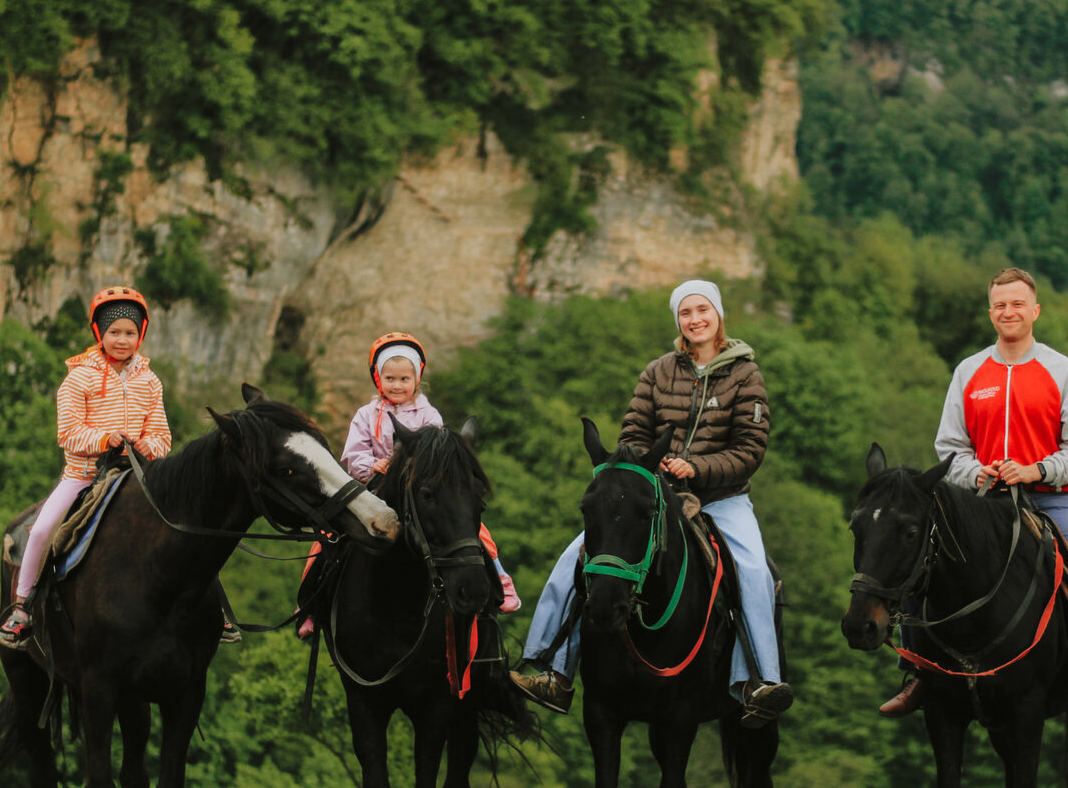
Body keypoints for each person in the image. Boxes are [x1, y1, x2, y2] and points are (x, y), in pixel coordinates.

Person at [510, 279, 794, 727]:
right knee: (576, 558)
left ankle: (760, 681)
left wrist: (696, 468)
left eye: (703, 310)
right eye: (686, 313)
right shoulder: (657, 371)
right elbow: (633, 436)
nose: (695, 319)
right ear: (677, 320)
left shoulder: (746, 375)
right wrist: (653, 471)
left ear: (718, 315)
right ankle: (552, 668)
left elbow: (749, 449)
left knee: (756, 570)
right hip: (654, 496)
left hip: (723, 498)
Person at [881, 267, 1068, 724]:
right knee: (915, 556)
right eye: (999, 305)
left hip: (1049, 499)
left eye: (1016, 304)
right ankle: (916, 673)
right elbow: (950, 447)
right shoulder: (969, 371)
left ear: (1035, 310)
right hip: (981, 504)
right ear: (990, 312)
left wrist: (1036, 469)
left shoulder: (1063, 370)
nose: (1008, 311)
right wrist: (977, 473)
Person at [296, 332, 519, 639]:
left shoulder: (429, 414)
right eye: (390, 378)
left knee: (474, 528)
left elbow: (440, 457)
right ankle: (309, 603)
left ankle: (501, 582)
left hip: (419, 489)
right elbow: (353, 456)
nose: (397, 385)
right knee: (328, 536)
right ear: (378, 377)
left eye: (404, 378)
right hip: (374, 489)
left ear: (417, 378)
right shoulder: (366, 415)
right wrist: (371, 465)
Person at [0, 286, 174, 648]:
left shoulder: (150, 382)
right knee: (42, 531)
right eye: (115, 332)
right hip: (84, 476)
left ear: (142, 334)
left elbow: (162, 436)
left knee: (183, 522)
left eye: (131, 332)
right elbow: (68, 433)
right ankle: (22, 610)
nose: (123, 340)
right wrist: (106, 440)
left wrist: (145, 446)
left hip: (138, 477)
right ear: (99, 334)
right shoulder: (79, 377)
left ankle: (216, 612)